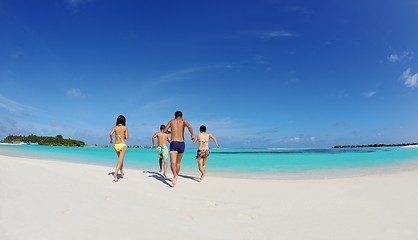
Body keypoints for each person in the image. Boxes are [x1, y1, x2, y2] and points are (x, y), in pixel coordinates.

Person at [165, 111, 194, 186]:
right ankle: (176, 175)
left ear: (175, 116)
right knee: (178, 162)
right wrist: (192, 135)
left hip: (174, 143)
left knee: (173, 162)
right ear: (181, 116)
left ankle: (175, 175)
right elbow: (190, 127)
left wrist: (171, 132)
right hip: (181, 143)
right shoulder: (184, 121)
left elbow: (165, 130)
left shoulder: (171, 121)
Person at [109, 115, 128, 182]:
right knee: (120, 160)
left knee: (120, 159)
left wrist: (111, 140)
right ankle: (115, 174)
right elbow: (126, 137)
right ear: (123, 121)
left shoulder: (115, 127)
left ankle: (122, 172)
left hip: (116, 145)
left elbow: (110, 134)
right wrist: (123, 136)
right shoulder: (125, 127)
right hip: (122, 144)